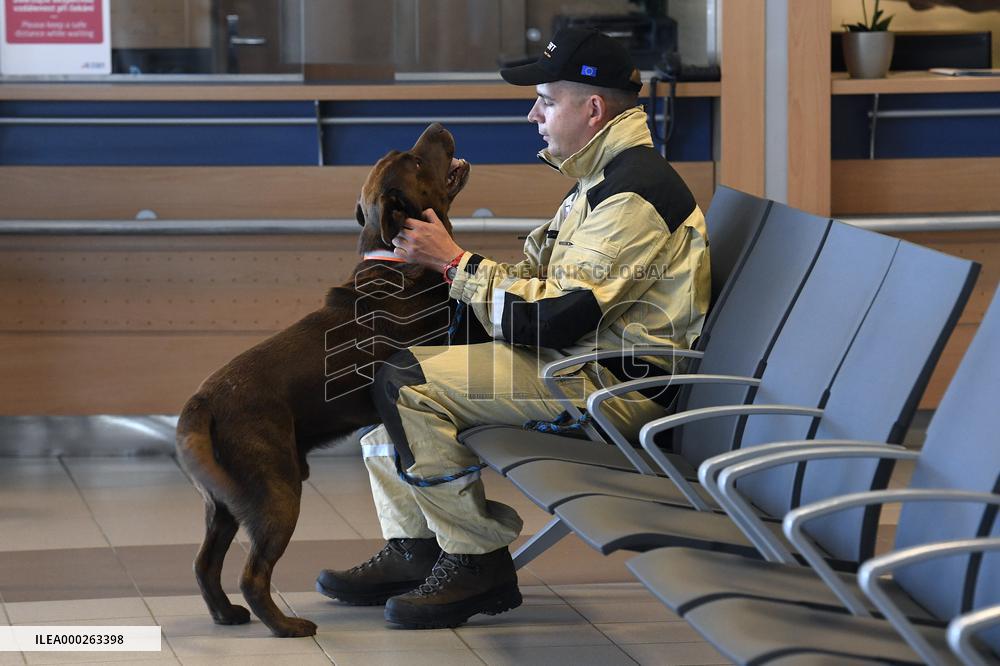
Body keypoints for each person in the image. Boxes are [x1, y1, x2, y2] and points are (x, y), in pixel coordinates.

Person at [316, 27, 711, 629]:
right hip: (576, 363)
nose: (534, 114)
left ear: (593, 109)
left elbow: (556, 316)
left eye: (546, 100)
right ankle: (414, 548)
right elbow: (541, 284)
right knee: (392, 366)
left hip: (610, 387)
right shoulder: (600, 182)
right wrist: (449, 265)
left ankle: (476, 560)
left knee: (407, 383)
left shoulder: (634, 195)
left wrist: (454, 262)